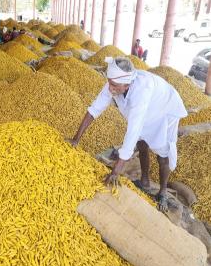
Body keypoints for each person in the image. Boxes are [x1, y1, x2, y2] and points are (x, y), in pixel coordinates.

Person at [67, 57, 187, 212]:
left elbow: (133, 130)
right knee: (141, 143)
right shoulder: (116, 83)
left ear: (127, 84)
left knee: (162, 153)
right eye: (109, 82)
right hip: (145, 110)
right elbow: (94, 109)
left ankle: (163, 191)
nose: (110, 88)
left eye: (114, 85)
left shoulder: (141, 91)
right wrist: (76, 139)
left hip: (164, 109)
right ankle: (144, 181)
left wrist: (116, 171)